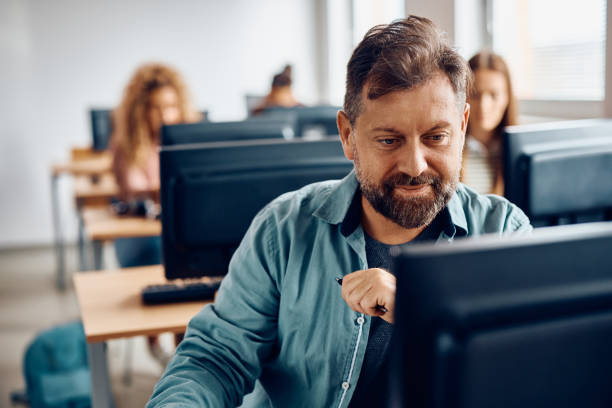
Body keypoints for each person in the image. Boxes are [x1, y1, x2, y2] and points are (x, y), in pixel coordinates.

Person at [148, 16, 531, 407]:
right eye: (389, 139)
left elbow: (528, 375)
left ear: (462, 126)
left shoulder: (504, 233)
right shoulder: (283, 230)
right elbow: (215, 358)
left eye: (436, 137)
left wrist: (420, 310)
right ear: (348, 136)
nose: (415, 165)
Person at [110, 62, 201, 363]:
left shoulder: (191, 140)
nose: (165, 116)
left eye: (172, 106)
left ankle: (186, 347)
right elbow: (134, 191)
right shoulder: (125, 145)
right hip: (139, 238)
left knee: (194, 256)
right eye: (156, 108)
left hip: (178, 233)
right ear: (140, 110)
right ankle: (159, 345)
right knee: (162, 253)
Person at [461, 51, 518, 196]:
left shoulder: (517, 153)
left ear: (507, 98)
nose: (483, 106)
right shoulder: (450, 150)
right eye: (475, 94)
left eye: (493, 95)